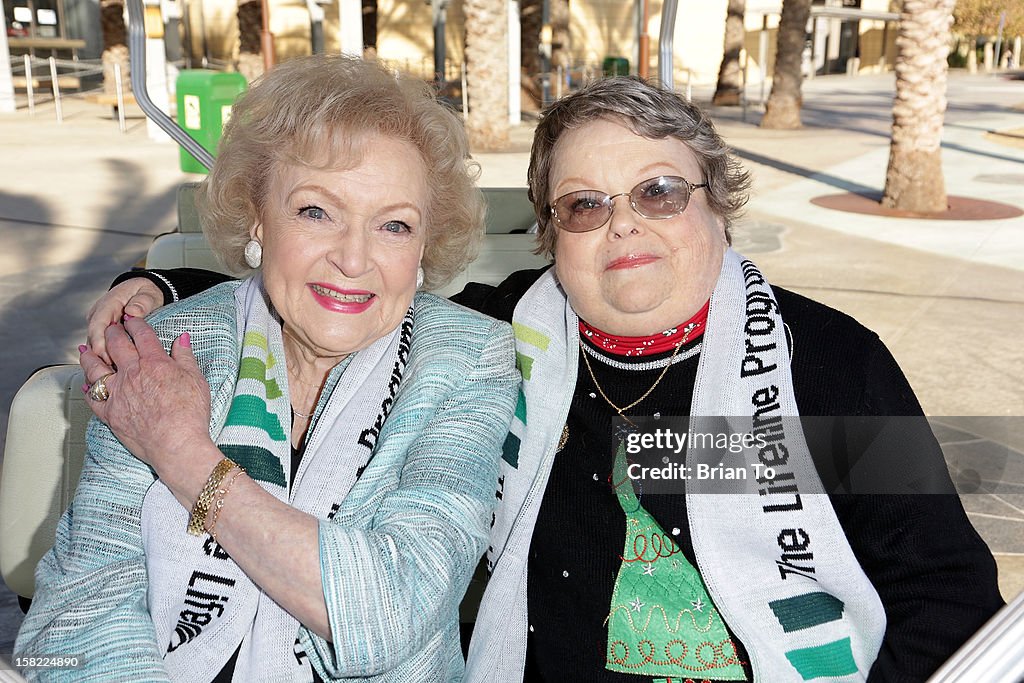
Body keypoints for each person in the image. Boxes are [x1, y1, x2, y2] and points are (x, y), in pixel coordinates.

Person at [73, 77, 1003, 682]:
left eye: (660, 191)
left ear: (717, 202)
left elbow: (948, 596)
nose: (623, 226)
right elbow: (339, 284)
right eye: (585, 205)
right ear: (553, 239)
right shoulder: (515, 329)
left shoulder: (828, 363)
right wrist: (161, 285)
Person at [14, 54, 519, 682]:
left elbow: (392, 612)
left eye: (393, 225)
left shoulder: (469, 358)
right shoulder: (163, 347)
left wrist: (182, 452)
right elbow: (77, 611)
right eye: (316, 212)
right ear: (258, 216)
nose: (354, 259)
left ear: (423, 245)